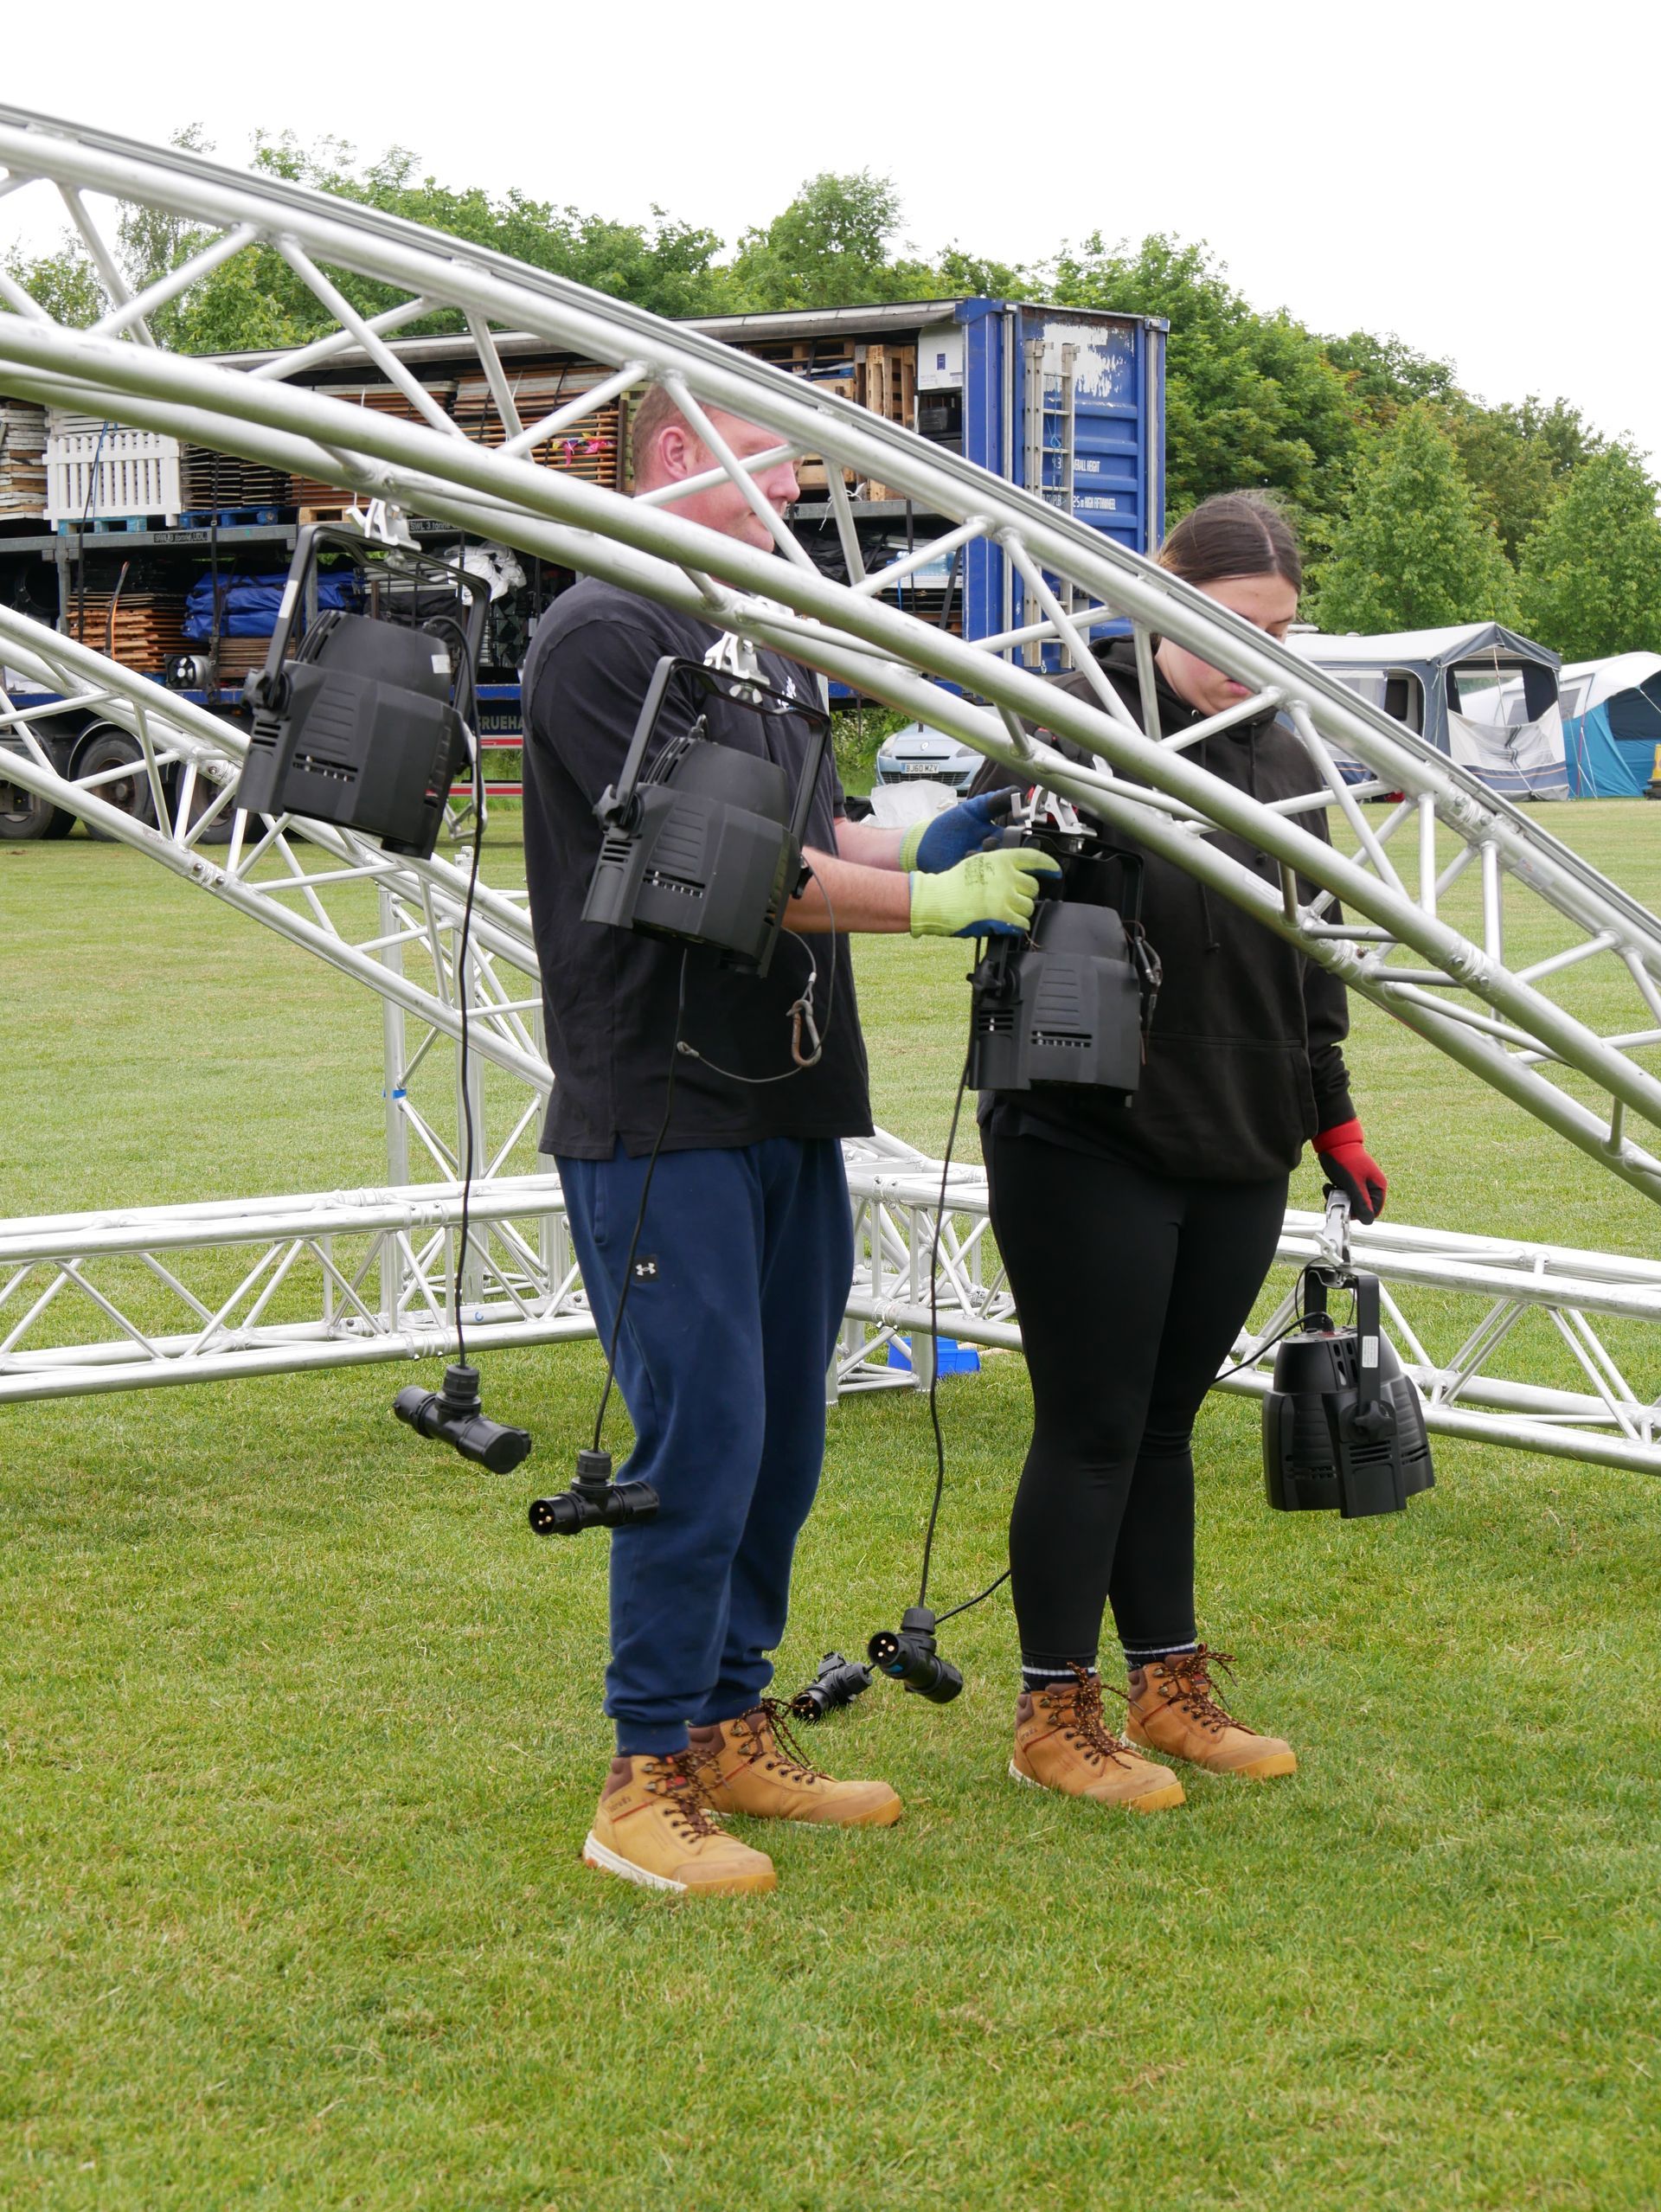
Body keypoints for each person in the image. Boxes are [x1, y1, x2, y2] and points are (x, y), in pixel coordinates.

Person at [520, 384, 1058, 1895]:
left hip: (791, 1099)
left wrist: (933, 845)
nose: (803, 492)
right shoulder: (606, 633)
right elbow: (740, 871)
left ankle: (728, 1718)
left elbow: (836, 843)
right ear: (685, 453)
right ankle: (639, 1773)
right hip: (661, 1104)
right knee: (704, 1437)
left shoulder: (767, 644)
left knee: (788, 1435)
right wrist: (921, 904)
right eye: (781, 461)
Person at [928, 492, 1388, 1810]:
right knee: (1092, 1423)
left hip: (1240, 1130)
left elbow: (1315, 950)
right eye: (1233, 627)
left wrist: (1334, 1108)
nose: (1257, 655)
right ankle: (1052, 1707)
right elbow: (979, 874)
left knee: (1170, 1424)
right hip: (1085, 1130)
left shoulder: (1288, 753)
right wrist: (1033, 814)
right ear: (1158, 600)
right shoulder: (1065, 712)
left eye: (1281, 632)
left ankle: (1166, 1679)